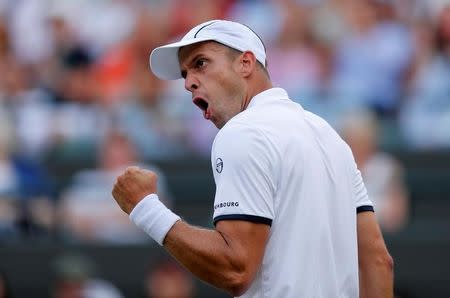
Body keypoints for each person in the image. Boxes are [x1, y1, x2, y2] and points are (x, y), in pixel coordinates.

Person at [112, 20, 393, 297]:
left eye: (200, 63)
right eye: (186, 73)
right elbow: (378, 262)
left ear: (246, 63)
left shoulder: (243, 132)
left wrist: (146, 208)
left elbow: (235, 269)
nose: (188, 83)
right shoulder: (331, 138)